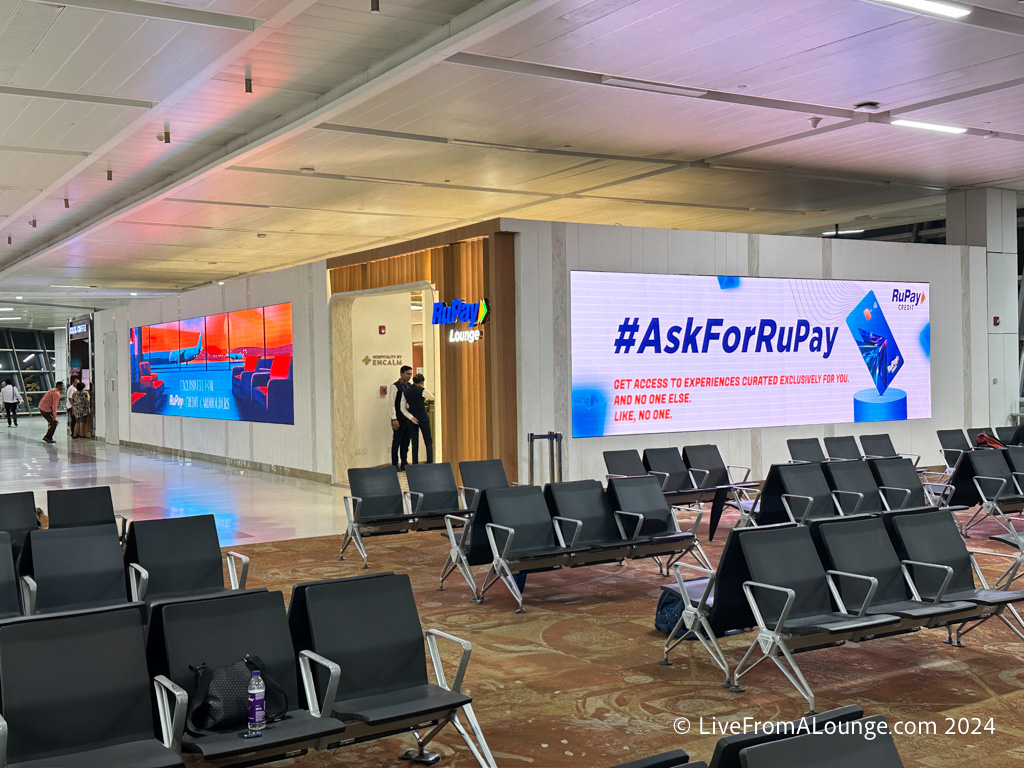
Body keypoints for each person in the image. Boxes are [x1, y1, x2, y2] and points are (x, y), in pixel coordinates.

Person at [400, 373, 434, 464]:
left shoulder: (406, 392)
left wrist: (411, 418)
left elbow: (402, 408)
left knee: (414, 442)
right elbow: (432, 397)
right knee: (428, 441)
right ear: (422, 382)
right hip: (423, 417)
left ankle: (415, 464)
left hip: (412, 419)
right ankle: (430, 462)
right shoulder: (422, 390)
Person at [388, 366, 413, 470]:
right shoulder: (395, 386)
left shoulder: (410, 386)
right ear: (401, 374)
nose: (409, 376)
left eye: (411, 374)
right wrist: (394, 418)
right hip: (398, 418)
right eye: (407, 374)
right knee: (397, 441)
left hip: (408, 418)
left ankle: (404, 462)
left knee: (406, 442)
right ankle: (394, 463)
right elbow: (391, 403)